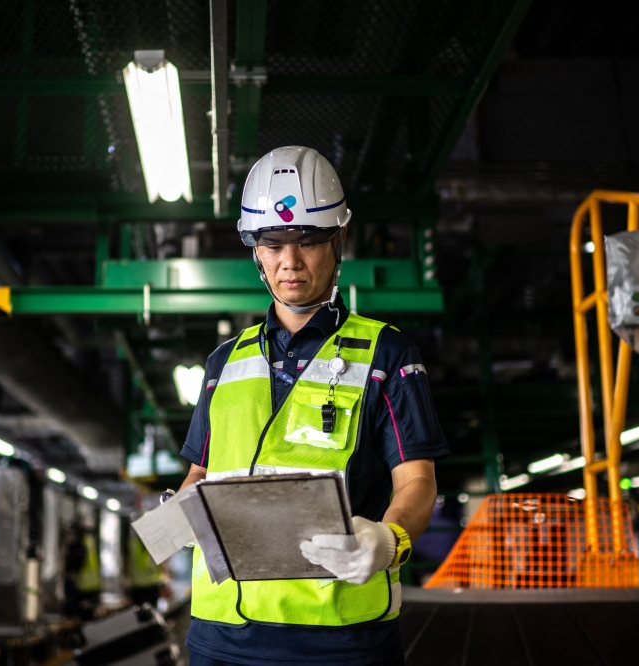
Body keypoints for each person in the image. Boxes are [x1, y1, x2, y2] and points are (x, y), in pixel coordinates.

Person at [178, 146, 448, 666]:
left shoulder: (386, 354)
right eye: (273, 243)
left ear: (338, 240)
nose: (290, 261)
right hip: (219, 636)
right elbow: (200, 472)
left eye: (308, 241)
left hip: (339, 641)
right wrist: (176, 514)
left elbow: (417, 481)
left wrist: (390, 542)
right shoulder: (222, 363)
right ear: (255, 250)